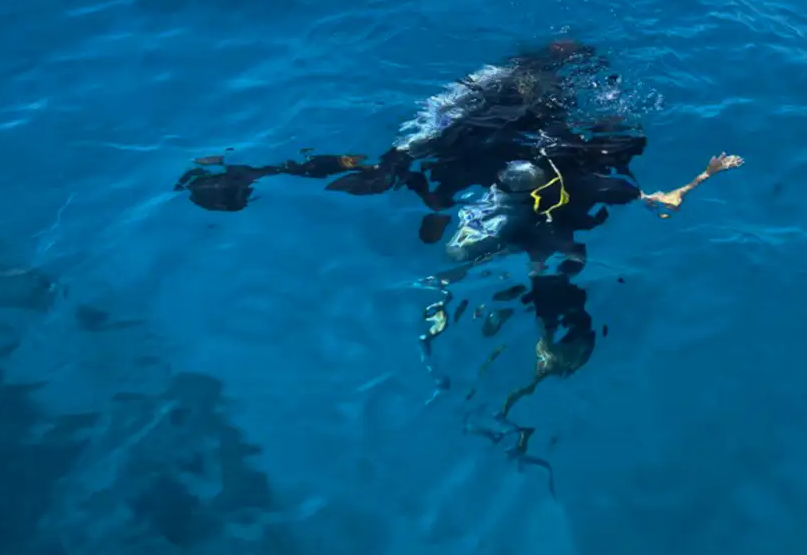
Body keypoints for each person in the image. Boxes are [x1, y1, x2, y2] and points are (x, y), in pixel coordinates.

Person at [175, 42, 743, 460]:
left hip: (489, 211)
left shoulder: (527, 134)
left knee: (470, 253)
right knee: (553, 262)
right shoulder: (568, 148)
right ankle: (533, 352)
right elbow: (649, 195)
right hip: (529, 215)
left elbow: (449, 130)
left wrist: (401, 161)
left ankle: (452, 306)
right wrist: (703, 177)